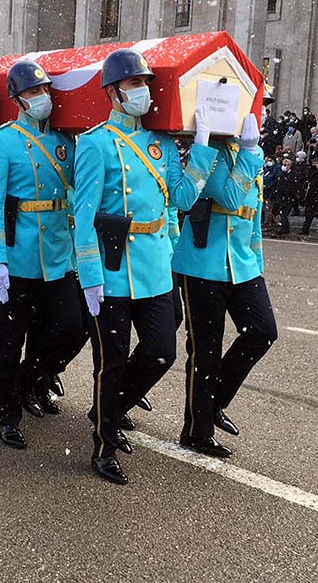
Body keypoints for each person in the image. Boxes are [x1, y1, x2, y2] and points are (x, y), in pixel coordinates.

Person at [73, 48, 217, 485]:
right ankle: (104, 445)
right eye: (134, 84)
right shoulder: (96, 143)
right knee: (110, 363)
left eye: (145, 83)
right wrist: (91, 276)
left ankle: (109, 408)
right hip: (113, 271)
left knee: (161, 351)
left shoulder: (163, 143)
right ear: (113, 92)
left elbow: (183, 197)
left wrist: (204, 151)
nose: (142, 91)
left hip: (153, 267)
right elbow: (83, 216)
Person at [0, 60, 84, 449]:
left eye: (45, 91)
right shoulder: (2, 141)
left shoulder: (65, 141)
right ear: (18, 99)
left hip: (58, 254)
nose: (43, 98)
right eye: (34, 92)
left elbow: (79, 184)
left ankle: (30, 379)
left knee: (72, 326)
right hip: (19, 255)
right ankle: (8, 415)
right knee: (10, 338)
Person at [171, 108, 276, 459]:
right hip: (203, 264)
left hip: (242, 265)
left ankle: (214, 402)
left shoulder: (249, 151)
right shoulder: (211, 153)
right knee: (205, 350)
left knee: (263, 331)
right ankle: (196, 431)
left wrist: (256, 264)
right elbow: (229, 198)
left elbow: (253, 215)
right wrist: (249, 153)